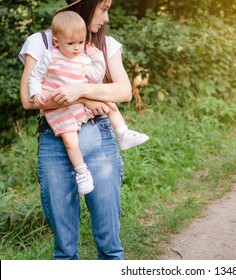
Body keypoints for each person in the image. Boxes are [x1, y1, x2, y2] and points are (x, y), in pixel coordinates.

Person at [19, 0, 131, 260]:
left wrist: (79, 90)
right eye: (103, 9)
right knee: (65, 249)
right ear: (86, 4)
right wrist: (87, 98)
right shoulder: (41, 42)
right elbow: (28, 98)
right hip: (55, 139)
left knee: (110, 244)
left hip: (98, 135)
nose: (106, 18)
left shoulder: (106, 45)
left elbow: (123, 91)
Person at [28, 11, 149, 195]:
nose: (77, 47)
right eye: (71, 43)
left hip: (82, 105)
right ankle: (82, 173)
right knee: (71, 142)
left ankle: (123, 133)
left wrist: (96, 57)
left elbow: (96, 76)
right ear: (56, 42)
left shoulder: (82, 57)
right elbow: (34, 77)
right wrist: (36, 92)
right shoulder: (49, 56)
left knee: (109, 103)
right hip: (61, 110)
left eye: (81, 42)